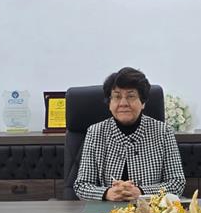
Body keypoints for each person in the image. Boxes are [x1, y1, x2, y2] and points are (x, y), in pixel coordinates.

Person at [74, 67, 186, 201]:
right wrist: (107, 193)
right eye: (117, 97)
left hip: (150, 210)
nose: (123, 103)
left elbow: (177, 183)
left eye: (131, 96)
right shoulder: (95, 132)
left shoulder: (163, 131)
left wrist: (141, 192)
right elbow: (82, 186)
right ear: (109, 103)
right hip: (107, 211)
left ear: (143, 102)